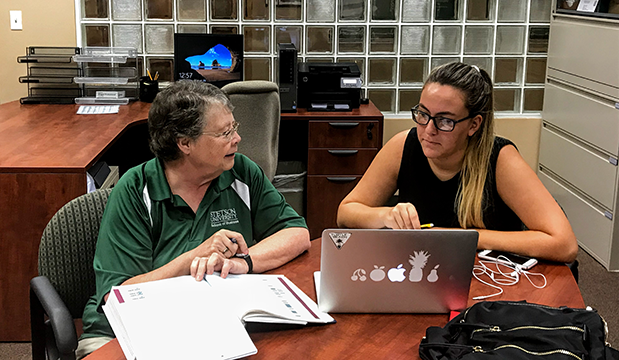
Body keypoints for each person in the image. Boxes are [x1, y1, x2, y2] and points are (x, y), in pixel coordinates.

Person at [77, 80, 310, 358]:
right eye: (225, 132)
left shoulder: (241, 172)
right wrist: (192, 259)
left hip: (214, 324)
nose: (237, 139)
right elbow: (120, 294)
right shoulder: (136, 189)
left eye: (234, 128)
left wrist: (240, 263)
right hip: (126, 332)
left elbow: (297, 233)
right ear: (185, 143)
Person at [337, 62, 577, 263]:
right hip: (424, 271)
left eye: (445, 121)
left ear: (474, 125)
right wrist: (387, 217)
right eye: (423, 114)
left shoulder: (500, 159)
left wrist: (462, 237)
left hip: (489, 279)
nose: (428, 130)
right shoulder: (404, 145)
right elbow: (346, 212)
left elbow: (564, 244)